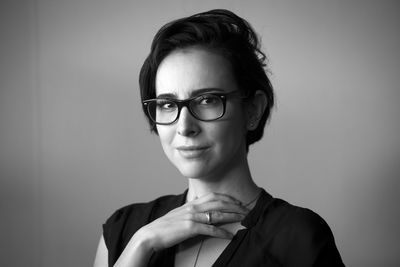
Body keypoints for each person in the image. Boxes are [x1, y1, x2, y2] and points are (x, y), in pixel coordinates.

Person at [93, 9, 345, 267]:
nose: (184, 127)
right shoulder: (123, 232)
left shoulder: (298, 239)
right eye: (167, 104)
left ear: (253, 110)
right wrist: (141, 244)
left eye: (207, 100)